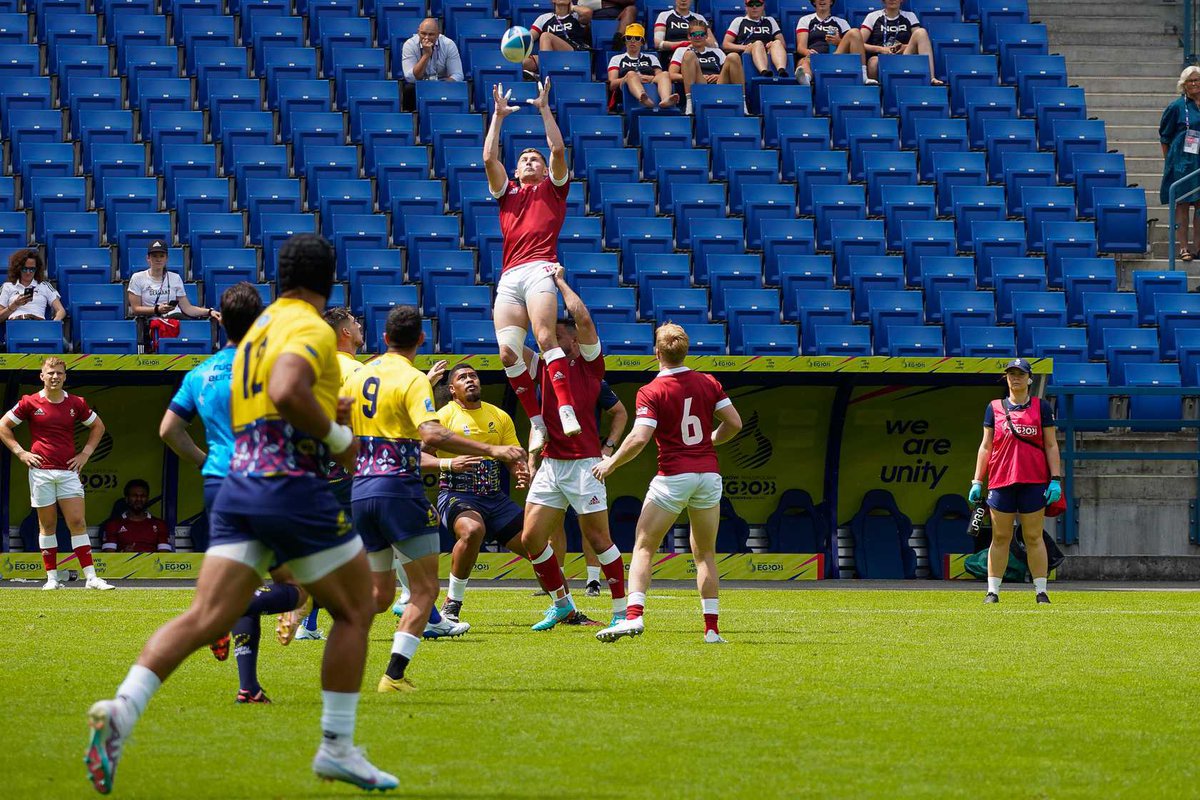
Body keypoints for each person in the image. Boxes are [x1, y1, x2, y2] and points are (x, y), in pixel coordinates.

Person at [85, 234, 398, 794]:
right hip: (288, 483)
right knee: (359, 607)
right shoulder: (307, 326)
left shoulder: (259, 332)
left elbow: (269, 396)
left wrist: (328, 409)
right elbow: (285, 390)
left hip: (236, 485)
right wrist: (338, 436)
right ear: (327, 280)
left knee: (205, 616)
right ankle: (337, 746)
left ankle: (122, 710)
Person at [346, 306, 525, 692]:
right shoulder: (413, 380)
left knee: (378, 596)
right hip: (398, 489)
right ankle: (393, 675)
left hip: (361, 489)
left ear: (383, 338)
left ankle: (311, 611)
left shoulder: (361, 374)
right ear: (422, 340)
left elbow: (339, 426)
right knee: (425, 590)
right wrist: (493, 451)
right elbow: (432, 435)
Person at [593, 324, 742, 644]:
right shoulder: (708, 382)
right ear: (686, 350)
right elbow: (734, 423)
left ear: (657, 353)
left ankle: (632, 617)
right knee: (705, 555)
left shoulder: (652, 390)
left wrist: (611, 462)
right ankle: (712, 630)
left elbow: (639, 438)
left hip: (674, 475)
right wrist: (710, 440)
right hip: (708, 476)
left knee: (645, 546)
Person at [520, 267, 627, 632]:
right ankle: (563, 605)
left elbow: (582, 317)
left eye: (563, 330)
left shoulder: (592, 366)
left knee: (599, 540)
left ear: (576, 340)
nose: (555, 332)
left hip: (585, 465)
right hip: (552, 464)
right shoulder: (544, 366)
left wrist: (561, 282)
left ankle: (622, 611)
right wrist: (518, 301)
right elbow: (513, 344)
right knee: (531, 539)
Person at [485, 79, 580, 454]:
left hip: (541, 266)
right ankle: (538, 423)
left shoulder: (554, 189)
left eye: (533, 160)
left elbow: (557, 147)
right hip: (510, 276)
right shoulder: (507, 192)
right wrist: (497, 117)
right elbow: (489, 159)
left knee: (544, 338)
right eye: (523, 158)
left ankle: (567, 408)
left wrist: (543, 107)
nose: (528, 161)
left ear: (543, 171)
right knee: (508, 353)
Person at [0, 357, 112, 591]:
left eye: (59, 373)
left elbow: (98, 426)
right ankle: (52, 578)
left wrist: (85, 454)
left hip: (68, 472)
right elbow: (3, 426)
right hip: (41, 473)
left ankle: (91, 578)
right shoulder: (29, 402)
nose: (55, 377)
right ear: (42, 376)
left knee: (77, 522)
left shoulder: (76, 402)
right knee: (47, 525)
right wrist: (21, 453)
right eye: (50, 373)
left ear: (65, 376)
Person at [429, 363, 530, 622]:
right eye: (463, 378)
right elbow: (414, 455)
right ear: (453, 389)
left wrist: (520, 470)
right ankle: (452, 603)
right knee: (473, 530)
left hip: (494, 498)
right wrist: (447, 463)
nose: (470, 380)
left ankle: (564, 605)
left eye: (473, 376)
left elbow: (513, 455)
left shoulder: (499, 415)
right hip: (456, 493)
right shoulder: (443, 416)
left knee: (538, 544)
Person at [968, 358, 1062, 605]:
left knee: (1033, 537)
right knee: (1000, 537)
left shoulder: (1041, 408)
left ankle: (1041, 591)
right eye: (1011, 373)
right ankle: (993, 591)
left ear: (1029, 378)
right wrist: (977, 480)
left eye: (1020, 373)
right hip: (1001, 480)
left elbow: (1051, 445)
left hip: (1034, 480)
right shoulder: (994, 407)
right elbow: (986, 446)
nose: (1016, 378)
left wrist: (1055, 479)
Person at [1160, 66, 1200, 261]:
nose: (1194, 83)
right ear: (1183, 85)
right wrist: (1170, 162)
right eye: (1190, 81)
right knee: (1183, 205)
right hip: (1183, 162)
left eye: (1197, 80)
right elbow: (1165, 137)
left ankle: (1198, 248)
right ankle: (1184, 248)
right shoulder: (1176, 107)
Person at [127, 240, 219, 321]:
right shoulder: (138, 278)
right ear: (148, 258)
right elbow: (135, 309)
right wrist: (156, 310)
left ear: (166, 258)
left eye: (161, 256)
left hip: (176, 318)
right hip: (155, 321)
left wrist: (209, 312)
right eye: (154, 256)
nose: (158, 259)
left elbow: (187, 308)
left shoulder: (175, 278)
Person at [670, 19, 745, 116]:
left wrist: (718, 76)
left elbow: (728, 72)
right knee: (689, 55)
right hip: (698, 85)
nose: (698, 37)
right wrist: (694, 76)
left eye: (701, 34)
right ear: (689, 36)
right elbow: (672, 75)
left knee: (734, 56)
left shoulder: (717, 51)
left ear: (706, 36)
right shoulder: (681, 51)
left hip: (718, 85)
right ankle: (690, 103)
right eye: (694, 34)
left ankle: (743, 103)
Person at [859, 0, 941, 85]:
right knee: (873, 62)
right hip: (881, 57)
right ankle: (876, 92)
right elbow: (859, 43)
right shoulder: (872, 16)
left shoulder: (910, 16)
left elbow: (919, 41)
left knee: (921, 32)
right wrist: (881, 49)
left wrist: (904, 47)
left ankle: (931, 78)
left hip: (904, 55)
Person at [795, 0, 873, 86]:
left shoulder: (841, 22)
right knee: (804, 62)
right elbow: (800, 47)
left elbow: (854, 43)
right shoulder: (805, 20)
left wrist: (838, 41)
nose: (822, 0)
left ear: (831, 2)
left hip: (836, 55)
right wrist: (808, 52)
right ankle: (806, 79)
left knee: (855, 32)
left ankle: (863, 76)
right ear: (814, 2)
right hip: (815, 57)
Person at [608, 23, 680, 110]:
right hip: (626, 87)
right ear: (625, 41)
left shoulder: (651, 58)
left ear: (642, 42)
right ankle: (642, 97)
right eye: (629, 38)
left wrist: (650, 78)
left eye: (637, 38)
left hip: (649, 82)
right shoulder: (616, 59)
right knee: (631, 74)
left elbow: (659, 75)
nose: (632, 41)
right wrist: (629, 77)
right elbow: (612, 84)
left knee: (665, 74)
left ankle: (665, 99)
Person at [400, 17, 464, 111]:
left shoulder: (449, 44)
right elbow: (410, 78)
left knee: (457, 88)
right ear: (418, 32)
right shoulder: (409, 45)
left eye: (431, 34)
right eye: (423, 33)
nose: (426, 37)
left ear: (438, 34)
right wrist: (426, 55)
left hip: (442, 85)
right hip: (419, 85)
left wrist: (442, 84)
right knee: (409, 89)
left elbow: (458, 75)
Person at [100, 479, 171, 553]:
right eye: (134, 496)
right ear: (127, 499)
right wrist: (122, 554)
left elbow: (165, 555)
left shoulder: (160, 524)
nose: (139, 499)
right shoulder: (113, 524)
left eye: (143, 496)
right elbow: (108, 555)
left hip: (152, 563)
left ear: (147, 499)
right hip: (124, 564)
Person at [722, 0, 789, 78]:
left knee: (777, 42)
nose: (754, 7)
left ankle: (781, 70)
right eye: (751, 4)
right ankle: (764, 71)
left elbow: (782, 43)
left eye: (758, 4)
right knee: (758, 43)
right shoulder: (739, 21)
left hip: (767, 50)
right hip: (748, 51)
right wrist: (744, 47)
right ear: (746, 7)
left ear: (763, 6)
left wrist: (771, 44)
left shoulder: (770, 20)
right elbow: (726, 44)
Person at [525, 0, 591, 76]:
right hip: (550, 55)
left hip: (572, 55)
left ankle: (545, 77)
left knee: (546, 36)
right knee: (524, 63)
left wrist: (572, 7)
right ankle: (542, 73)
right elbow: (529, 38)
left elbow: (587, 13)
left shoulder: (576, 16)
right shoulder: (544, 18)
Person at [0, 248, 66, 322]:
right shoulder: (7, 286)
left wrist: (52, 324)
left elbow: (61, 310)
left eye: (32, 269)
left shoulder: (44, 286)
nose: (28, 273)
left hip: (38, 324)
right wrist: (14, 305)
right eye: (25, 269)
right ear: (18, 269)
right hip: (16, 324)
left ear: (36, 269)